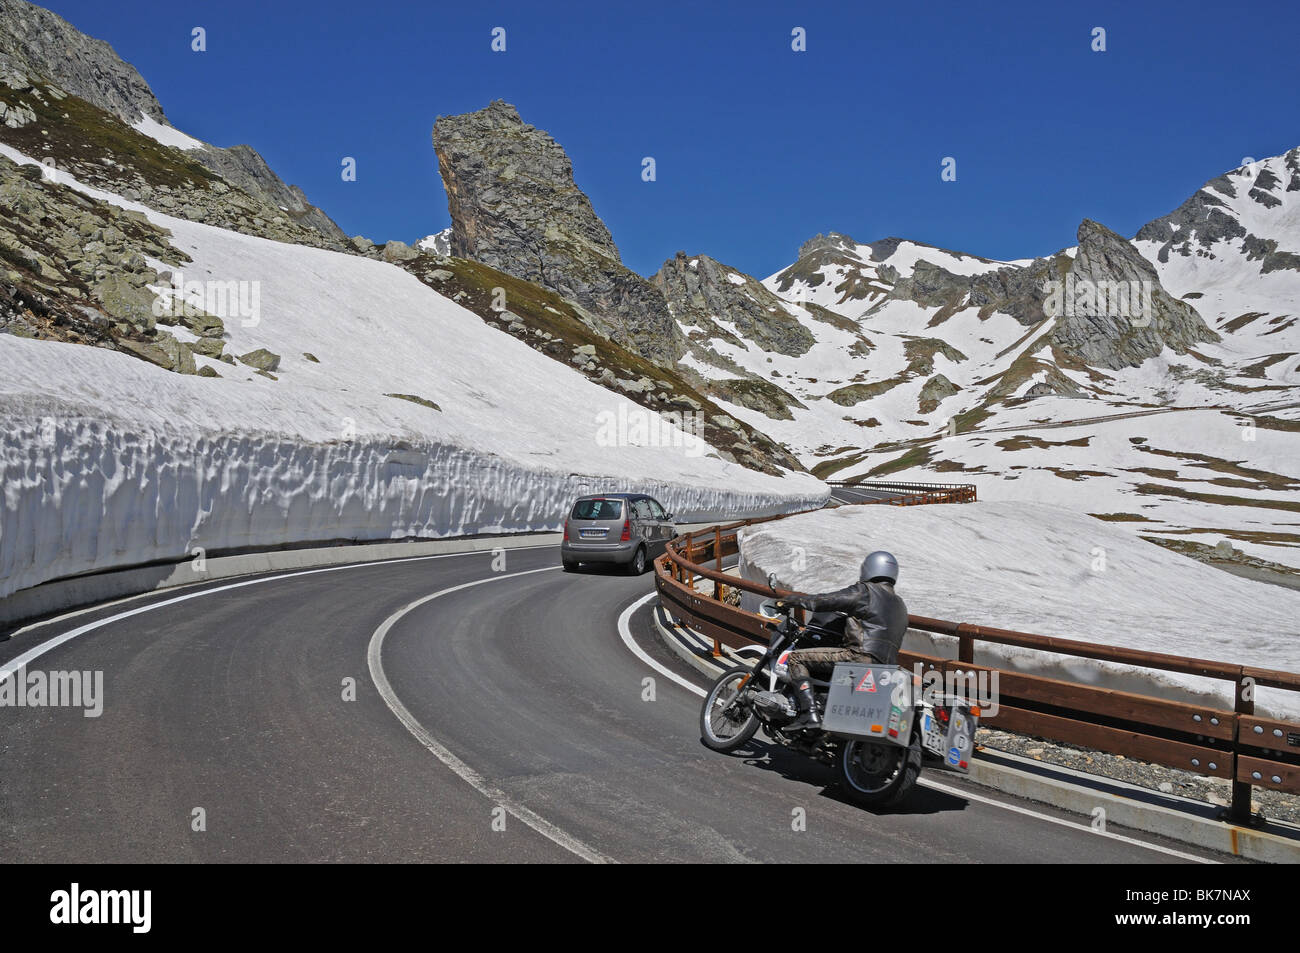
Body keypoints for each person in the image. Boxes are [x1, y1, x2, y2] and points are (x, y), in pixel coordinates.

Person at [777, 551, 909, 729]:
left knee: (796, 658)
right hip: (886, 666)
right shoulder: (900, 605)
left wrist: (795, 600)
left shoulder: (866, 592)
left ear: (869, 568)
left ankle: (809, 715)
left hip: (858, 656)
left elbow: (828, 600)